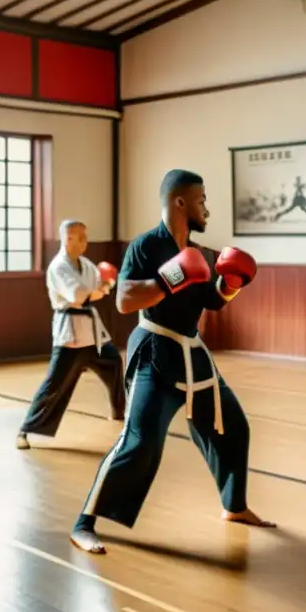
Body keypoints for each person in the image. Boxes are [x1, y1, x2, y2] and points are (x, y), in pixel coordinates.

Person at [70, 169, 274, 556]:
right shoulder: (144, 246)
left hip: (192, 354)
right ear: (180, 201)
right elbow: (125, 301)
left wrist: (229, 284)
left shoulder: (203, 253)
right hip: (153, 352)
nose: (206, 209)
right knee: (141, 441)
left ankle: (234, 506)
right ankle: (85, 523)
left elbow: (212, 301)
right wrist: (169, 280)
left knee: (233, 427)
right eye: (201, 200)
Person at [16, 220, 125, 449]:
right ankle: (25, 430)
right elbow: (79, 296)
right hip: (71, 334)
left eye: (86, 236)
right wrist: (102, 289)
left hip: (92, 333)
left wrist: (108, 283)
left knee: (113, 363)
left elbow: (99, 284)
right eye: (81, 237)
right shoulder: (58, 267)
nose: (86, 241)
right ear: (68, 239)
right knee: (55, 383)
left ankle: (119, 411)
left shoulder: (85, 264)